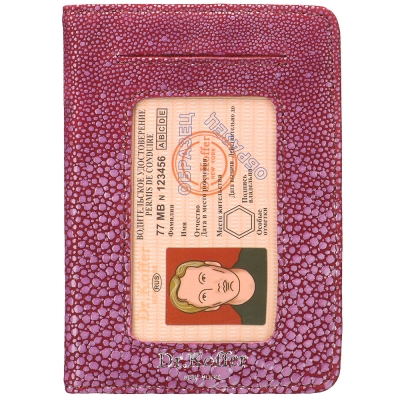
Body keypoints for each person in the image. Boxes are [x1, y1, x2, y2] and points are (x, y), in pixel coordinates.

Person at [169, 248, 267, 325]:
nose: (216, 287)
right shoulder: (254, 321)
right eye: (204, 296)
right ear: (211, 308)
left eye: (203, 278)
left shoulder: (257, 251)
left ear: (212, 264)